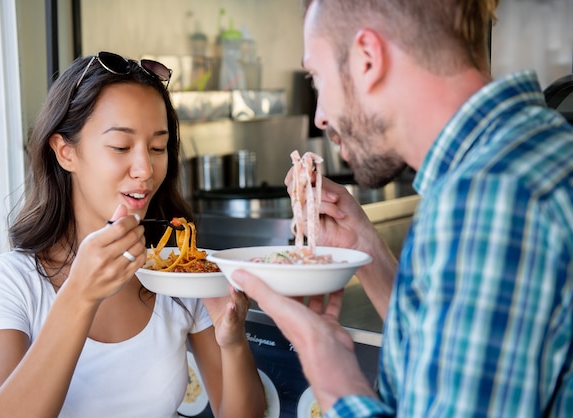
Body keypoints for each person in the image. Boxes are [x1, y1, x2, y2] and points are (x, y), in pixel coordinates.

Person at [232, 0, 573, 416]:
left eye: (317, 79)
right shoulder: (529, 151)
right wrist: (366, 248)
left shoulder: (490, 198)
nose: (320, 117)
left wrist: (331, 371)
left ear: (368, 58)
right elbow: (452, 347)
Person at [0, 51, 266, 418]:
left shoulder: (175, 273)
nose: (146, 168)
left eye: (158, 148)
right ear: (66, 152)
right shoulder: (9, 281)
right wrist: (80, 293)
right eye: (121, 147)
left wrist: (232, 339)